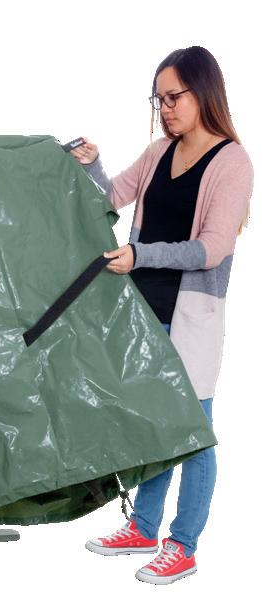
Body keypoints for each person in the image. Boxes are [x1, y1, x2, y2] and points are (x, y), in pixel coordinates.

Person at [70, 46, 254, 585]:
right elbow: (110, 197)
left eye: (174, 97)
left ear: (204, 92)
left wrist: (140, 256)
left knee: (193, 433)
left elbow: (212, 248)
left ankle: (183, 546)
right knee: (154, 427)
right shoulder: (158, 152)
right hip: (143, 313)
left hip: (191, 315)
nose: (166, 108)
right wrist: (92, 164)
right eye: (159, 99)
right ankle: (144, 527)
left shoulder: (232, 162)